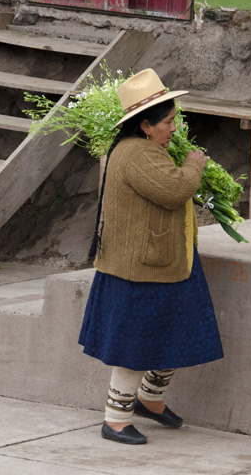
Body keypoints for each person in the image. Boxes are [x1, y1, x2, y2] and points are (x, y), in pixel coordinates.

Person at [78, 69, 224, 445]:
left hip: (163, 262)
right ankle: (115, 419)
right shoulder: (138, 156)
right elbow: (176, 190)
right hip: (141, 269)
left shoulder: (145, 150)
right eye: (168, 122)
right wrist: (194, 163)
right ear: (145, 125)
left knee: (177, 332)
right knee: (136, 344)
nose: (173, 128)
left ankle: (150, 398)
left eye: (174, 121)